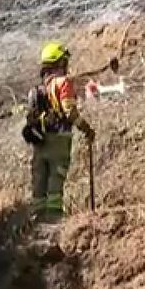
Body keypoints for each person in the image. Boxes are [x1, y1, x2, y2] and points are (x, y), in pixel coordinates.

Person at [27, 42, 96, 221]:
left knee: (39, 178)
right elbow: (69, 112)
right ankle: (54, 218)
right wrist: (86, 129)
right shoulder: (63, 83)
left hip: (40, 141)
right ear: (60, 62)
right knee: (56, 178)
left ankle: (38, 218)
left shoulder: (38, 89)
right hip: (60, 138)